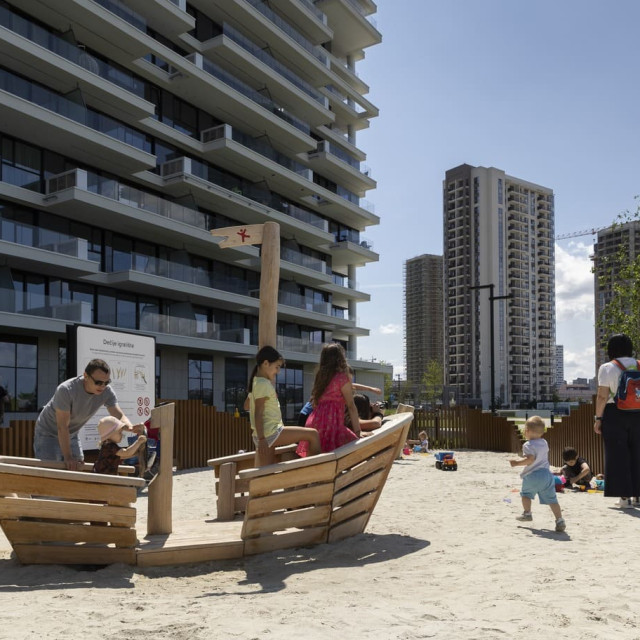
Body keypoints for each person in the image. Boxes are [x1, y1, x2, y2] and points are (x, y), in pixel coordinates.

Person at [33, 359, 145, 470]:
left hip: (71, 434)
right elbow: (62, 427)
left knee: (78, 468)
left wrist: (130, 427)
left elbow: (118, 415)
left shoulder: (107, 392)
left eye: (106, 382)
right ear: (86, 376)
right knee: (51, 471)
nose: (102, 386)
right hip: (47, 433)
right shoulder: (66, 390)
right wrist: (68, 457)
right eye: (98, 382)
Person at [248, 346, 320, 466]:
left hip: (265, 434)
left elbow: (247, 406)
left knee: (264, 472)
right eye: (277, 367)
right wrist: (261, 440)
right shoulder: (263, 385)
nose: (278, 371)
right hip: (270, 433)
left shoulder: (257, 382)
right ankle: (316, 470)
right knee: (313, 434)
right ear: (266, 363)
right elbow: (258, 413)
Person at [594, 333, 640, 508]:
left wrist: (599, 418)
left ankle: (624, 498)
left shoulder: (607, 367)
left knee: (618, 455)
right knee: (637, 454)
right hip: (638, 413)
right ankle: (638, 496)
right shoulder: (638, 365)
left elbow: (602, 396)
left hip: (615, 412)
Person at [298, 343, 361, 454]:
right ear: (340, 358)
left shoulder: (321, 377)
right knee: (354, 447)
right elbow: (351, 405)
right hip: (332, 425)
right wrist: (357, 431)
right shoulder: (341, 378)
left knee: (320, 456)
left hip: (315, 423)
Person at [509, 415, 566, 532]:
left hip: (532, 475)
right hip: (547, 475)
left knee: (525, 494)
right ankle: (560, 520)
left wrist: (516, 463)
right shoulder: (544, 442)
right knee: (552, 500)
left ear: (528, 431)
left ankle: (527, 513)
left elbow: (530, 459)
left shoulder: (527, 445)